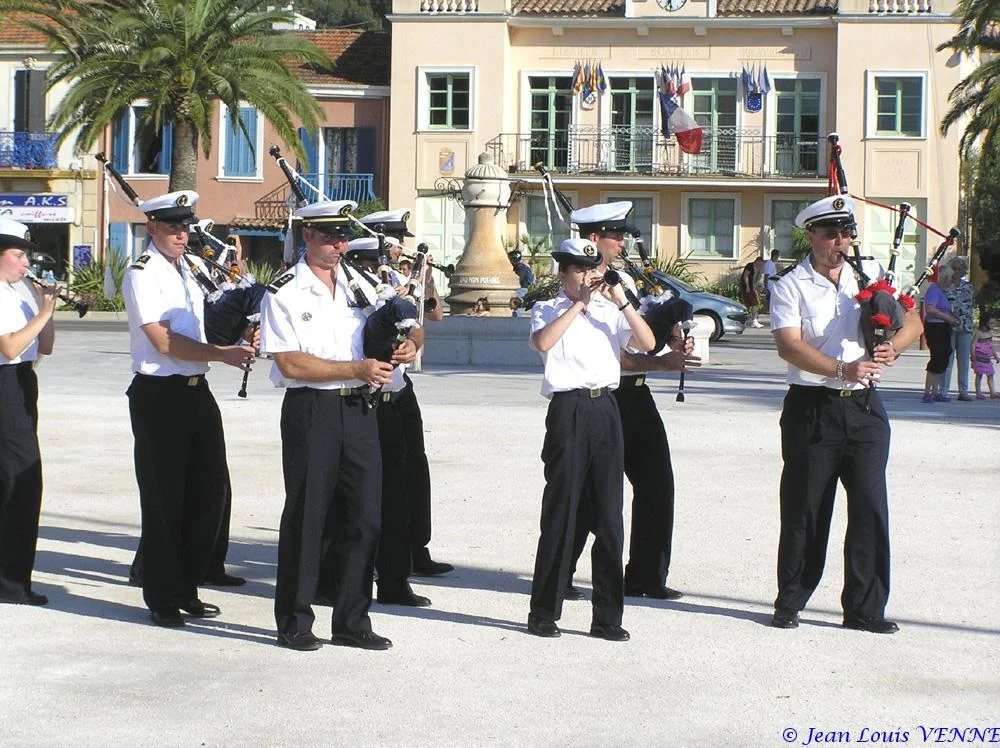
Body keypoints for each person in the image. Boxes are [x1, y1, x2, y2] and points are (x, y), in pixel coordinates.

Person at [769, 195, 922, 635]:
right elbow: (788, 345)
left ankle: (865, 608)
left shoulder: (868, 273)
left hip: (864, 406)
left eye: (846, 232)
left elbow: (913, 316)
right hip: (812, 407)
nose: (841, 241)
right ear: (811, 236)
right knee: (806, 508)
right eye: (831, 233)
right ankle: (791, 599)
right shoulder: (791, 284)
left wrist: (896, 345)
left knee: (871, 508)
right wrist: (841, 368)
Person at [261, 200, 403, 652]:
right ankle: (295, 620)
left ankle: (352, 619)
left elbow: (402, 317)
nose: (338, 244)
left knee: (365, 517)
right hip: (312, 411)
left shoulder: (360, 282)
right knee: (307, 517)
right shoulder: (284, 291)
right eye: (328, 236)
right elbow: (290, 362)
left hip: (359, 409)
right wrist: (355, 369)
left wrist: (407, 344)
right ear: (307, 237)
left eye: (343, 236)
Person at [121, 191, 255, 628]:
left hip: (197, 391)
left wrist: (240, 331)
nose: (183, 234)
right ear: (152, 229)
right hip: (160, 396)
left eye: (185, 227)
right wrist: (222, 354)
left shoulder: (189, 270)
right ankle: (162, 596)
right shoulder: (144, 273)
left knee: (207, 495)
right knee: (165, 500)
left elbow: (206, 323)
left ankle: (187, 586)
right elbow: (162, 341)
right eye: (174, 227)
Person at [565, 202, 699, 603]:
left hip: (637, 396)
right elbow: (610, 355)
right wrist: (662, 362)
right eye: (615, 235)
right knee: (590, 494)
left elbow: (638, 336)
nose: (623, 242)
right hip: (605, 396)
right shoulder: (578, 287)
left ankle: (645, 575)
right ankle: (561, 571)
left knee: (658, 484)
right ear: (593, 239)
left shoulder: (625, 281)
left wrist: (671, 340)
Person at [527, 237, 656, 641]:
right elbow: (542, 344)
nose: (587, 277)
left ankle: (607, 617)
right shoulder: (547, 309)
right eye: (578, 270)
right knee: (561, 511)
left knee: (609, 517)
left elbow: (649, 344)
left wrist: (620, 298)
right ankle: (544, 611)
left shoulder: (609, 310)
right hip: (568, 409)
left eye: (592, 269)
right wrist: (579, 303)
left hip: (606, 409)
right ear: (563, 273)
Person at [360, 209, 452, 577]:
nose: (403, 248)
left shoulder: (404, 278)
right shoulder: (365, 283)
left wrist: (425, 282)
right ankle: (383, 553)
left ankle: (417, 547)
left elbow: (435, 317)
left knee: (415, 468)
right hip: (375, 387)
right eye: (397, 240)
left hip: (401, 388)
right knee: (384, 476)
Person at [342, 236, 431, 608]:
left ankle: (395, 581)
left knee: (396, 496)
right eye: (372, 262)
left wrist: (413, 344)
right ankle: (342, 580)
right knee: (356, 500)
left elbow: (418, 328)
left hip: (394, 399)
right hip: (364, 402)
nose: (380, 268)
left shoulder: (390, 291)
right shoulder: (346, 296)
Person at [0, 218, 58, 606]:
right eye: (19, 255)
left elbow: (45, 346)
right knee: (21, 482)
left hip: (22, 383)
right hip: (4, 384)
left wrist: (44, 307)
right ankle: (10, 583)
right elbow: (9, 347)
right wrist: (42, 314)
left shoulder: (18, 292)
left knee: (20, 482)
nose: (26, 263)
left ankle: (14, 577)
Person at [920, 266, 957, 403]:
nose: (950, 281)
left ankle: (936, 392)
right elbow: (930, 309)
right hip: (935, 327)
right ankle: (927, 392)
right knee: (936, 358)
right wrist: (948, 318)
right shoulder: (934, 290)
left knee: (944, 356)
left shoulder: (942, 291)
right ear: (944, 277)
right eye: (949, 278)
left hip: (943, 327)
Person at [942, 256, 975, 401]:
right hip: (948, 325)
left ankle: (963, 391)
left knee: (963, 361)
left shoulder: (968, 286)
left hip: (965, 326)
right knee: (947, 360)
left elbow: (968, 305)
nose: (956, 271)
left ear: (963, 271)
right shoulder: (944, 286)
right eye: (953, 268)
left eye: (959, 269)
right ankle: (943, 390)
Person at [971, 314, 999, 399]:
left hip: (987, 359)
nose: (993, 325)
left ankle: (992, 392)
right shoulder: (978, 333)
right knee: (979, 375)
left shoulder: (990, 334)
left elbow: (991, 346)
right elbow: (973, 345)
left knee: (990, 374)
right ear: (984, 324)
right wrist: (972, 355)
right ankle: (978, 393)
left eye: (993, 323)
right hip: (979, 358)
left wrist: (996, 356)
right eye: (991, 323)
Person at [741, 257, 765, 328]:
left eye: (762, 265)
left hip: (753, 287)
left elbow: (758, 278)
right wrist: (747, 286)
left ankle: (750, 320)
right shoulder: (750, 266)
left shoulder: (759, 268)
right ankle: (753, 321)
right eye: (760, 264)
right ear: (757, 261)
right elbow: (745, 276)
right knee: (753, 303)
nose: (761, 266)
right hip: (747, 287)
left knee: (752, 303)